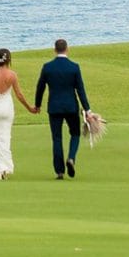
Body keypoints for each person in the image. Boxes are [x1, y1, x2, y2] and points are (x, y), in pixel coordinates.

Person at [32, 38, 91, 179]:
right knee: (75, 134)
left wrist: (37, 104)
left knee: (57, 138)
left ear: (54, 50)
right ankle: (71, 158)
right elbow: (80, 90)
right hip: (71, 106)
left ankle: (59, 171)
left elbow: (40, 87)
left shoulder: (47, 67)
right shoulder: (74, 67)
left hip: (54, 107)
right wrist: (87, 109)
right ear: (67, 49)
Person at [0, 47, 38, 178]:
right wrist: (29, 108)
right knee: (5, 137)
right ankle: (3, 168)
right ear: (8, 60)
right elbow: (19, 94)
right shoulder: (12, 75)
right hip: (6, 108)